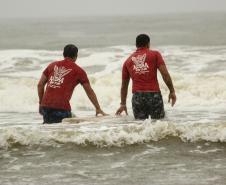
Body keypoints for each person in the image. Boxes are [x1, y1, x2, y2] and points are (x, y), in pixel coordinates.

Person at [38, 44, 107, 123]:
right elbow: (89, 91)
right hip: (61, 108)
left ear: (63, 54)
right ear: (76, 56)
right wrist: (98, 108)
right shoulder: (79, 71)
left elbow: (40, 85)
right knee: (73, 128)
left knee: (49, 129)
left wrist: (41, 103)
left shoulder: (51, 65)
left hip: (45, 107)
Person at [116, 34, 176, 119]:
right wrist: (172, 91)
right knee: (159, 124)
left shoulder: (128, 61)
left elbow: (124, 86)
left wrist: (123, 104)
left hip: (137, 97)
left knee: (140, 126)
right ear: (148, 44)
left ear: (136, 45)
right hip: (154, 95)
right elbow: (165, 74)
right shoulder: (155, 54)